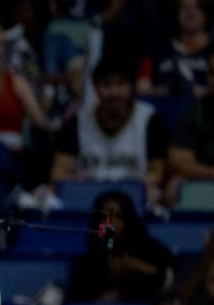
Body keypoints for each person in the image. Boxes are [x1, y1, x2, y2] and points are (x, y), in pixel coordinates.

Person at [50, 58, 170, 208]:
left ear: (131, 87)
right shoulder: (77, 122)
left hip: (134, 202)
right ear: (95, 87)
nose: (114, 92)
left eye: (120, 84)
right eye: (106, 85)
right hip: (87, 200)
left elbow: (157, 173)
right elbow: (59, 172)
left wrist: (125, 187)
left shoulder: (151, 121)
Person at [66, 190, 174, 304]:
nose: (112, 224)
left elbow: (168, 278)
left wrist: (138, 266)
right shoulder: (85, 261)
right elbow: (79, 298)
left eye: (118, 216)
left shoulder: (150, 248)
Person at [168, 41, 214, 184]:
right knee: (174, 187)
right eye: (213, 74)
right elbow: (178, 161)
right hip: (209, 181)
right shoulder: (195, 112)